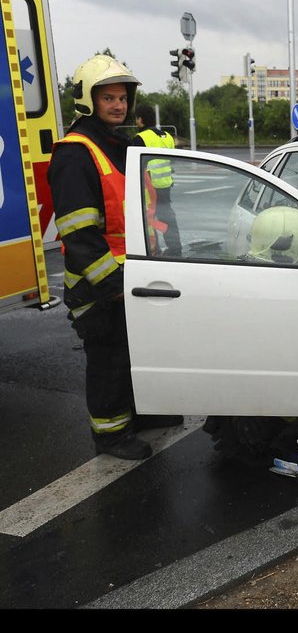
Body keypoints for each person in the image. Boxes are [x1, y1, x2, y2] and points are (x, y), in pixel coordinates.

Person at [48, 54, 179, 461]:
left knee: (133, 352)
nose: (118, 105)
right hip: (98, 283)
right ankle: (110, 434)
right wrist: (113, 285)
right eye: (108, 98)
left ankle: (138, 415)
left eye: (122, 98)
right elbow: (79, 233)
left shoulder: (121, 145)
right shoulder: (75, 153)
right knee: (109, 359)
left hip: (130, 277)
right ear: (88, 100)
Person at [132, 104, 180, 255]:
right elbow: (172, 160)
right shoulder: (167, 136)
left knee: (149, 218)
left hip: (149, 186)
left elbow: (135, 166)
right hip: (166, 184)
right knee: (167, 215)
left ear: (140, 120)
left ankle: (154, 249)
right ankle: (175, 247)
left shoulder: (140, 138)